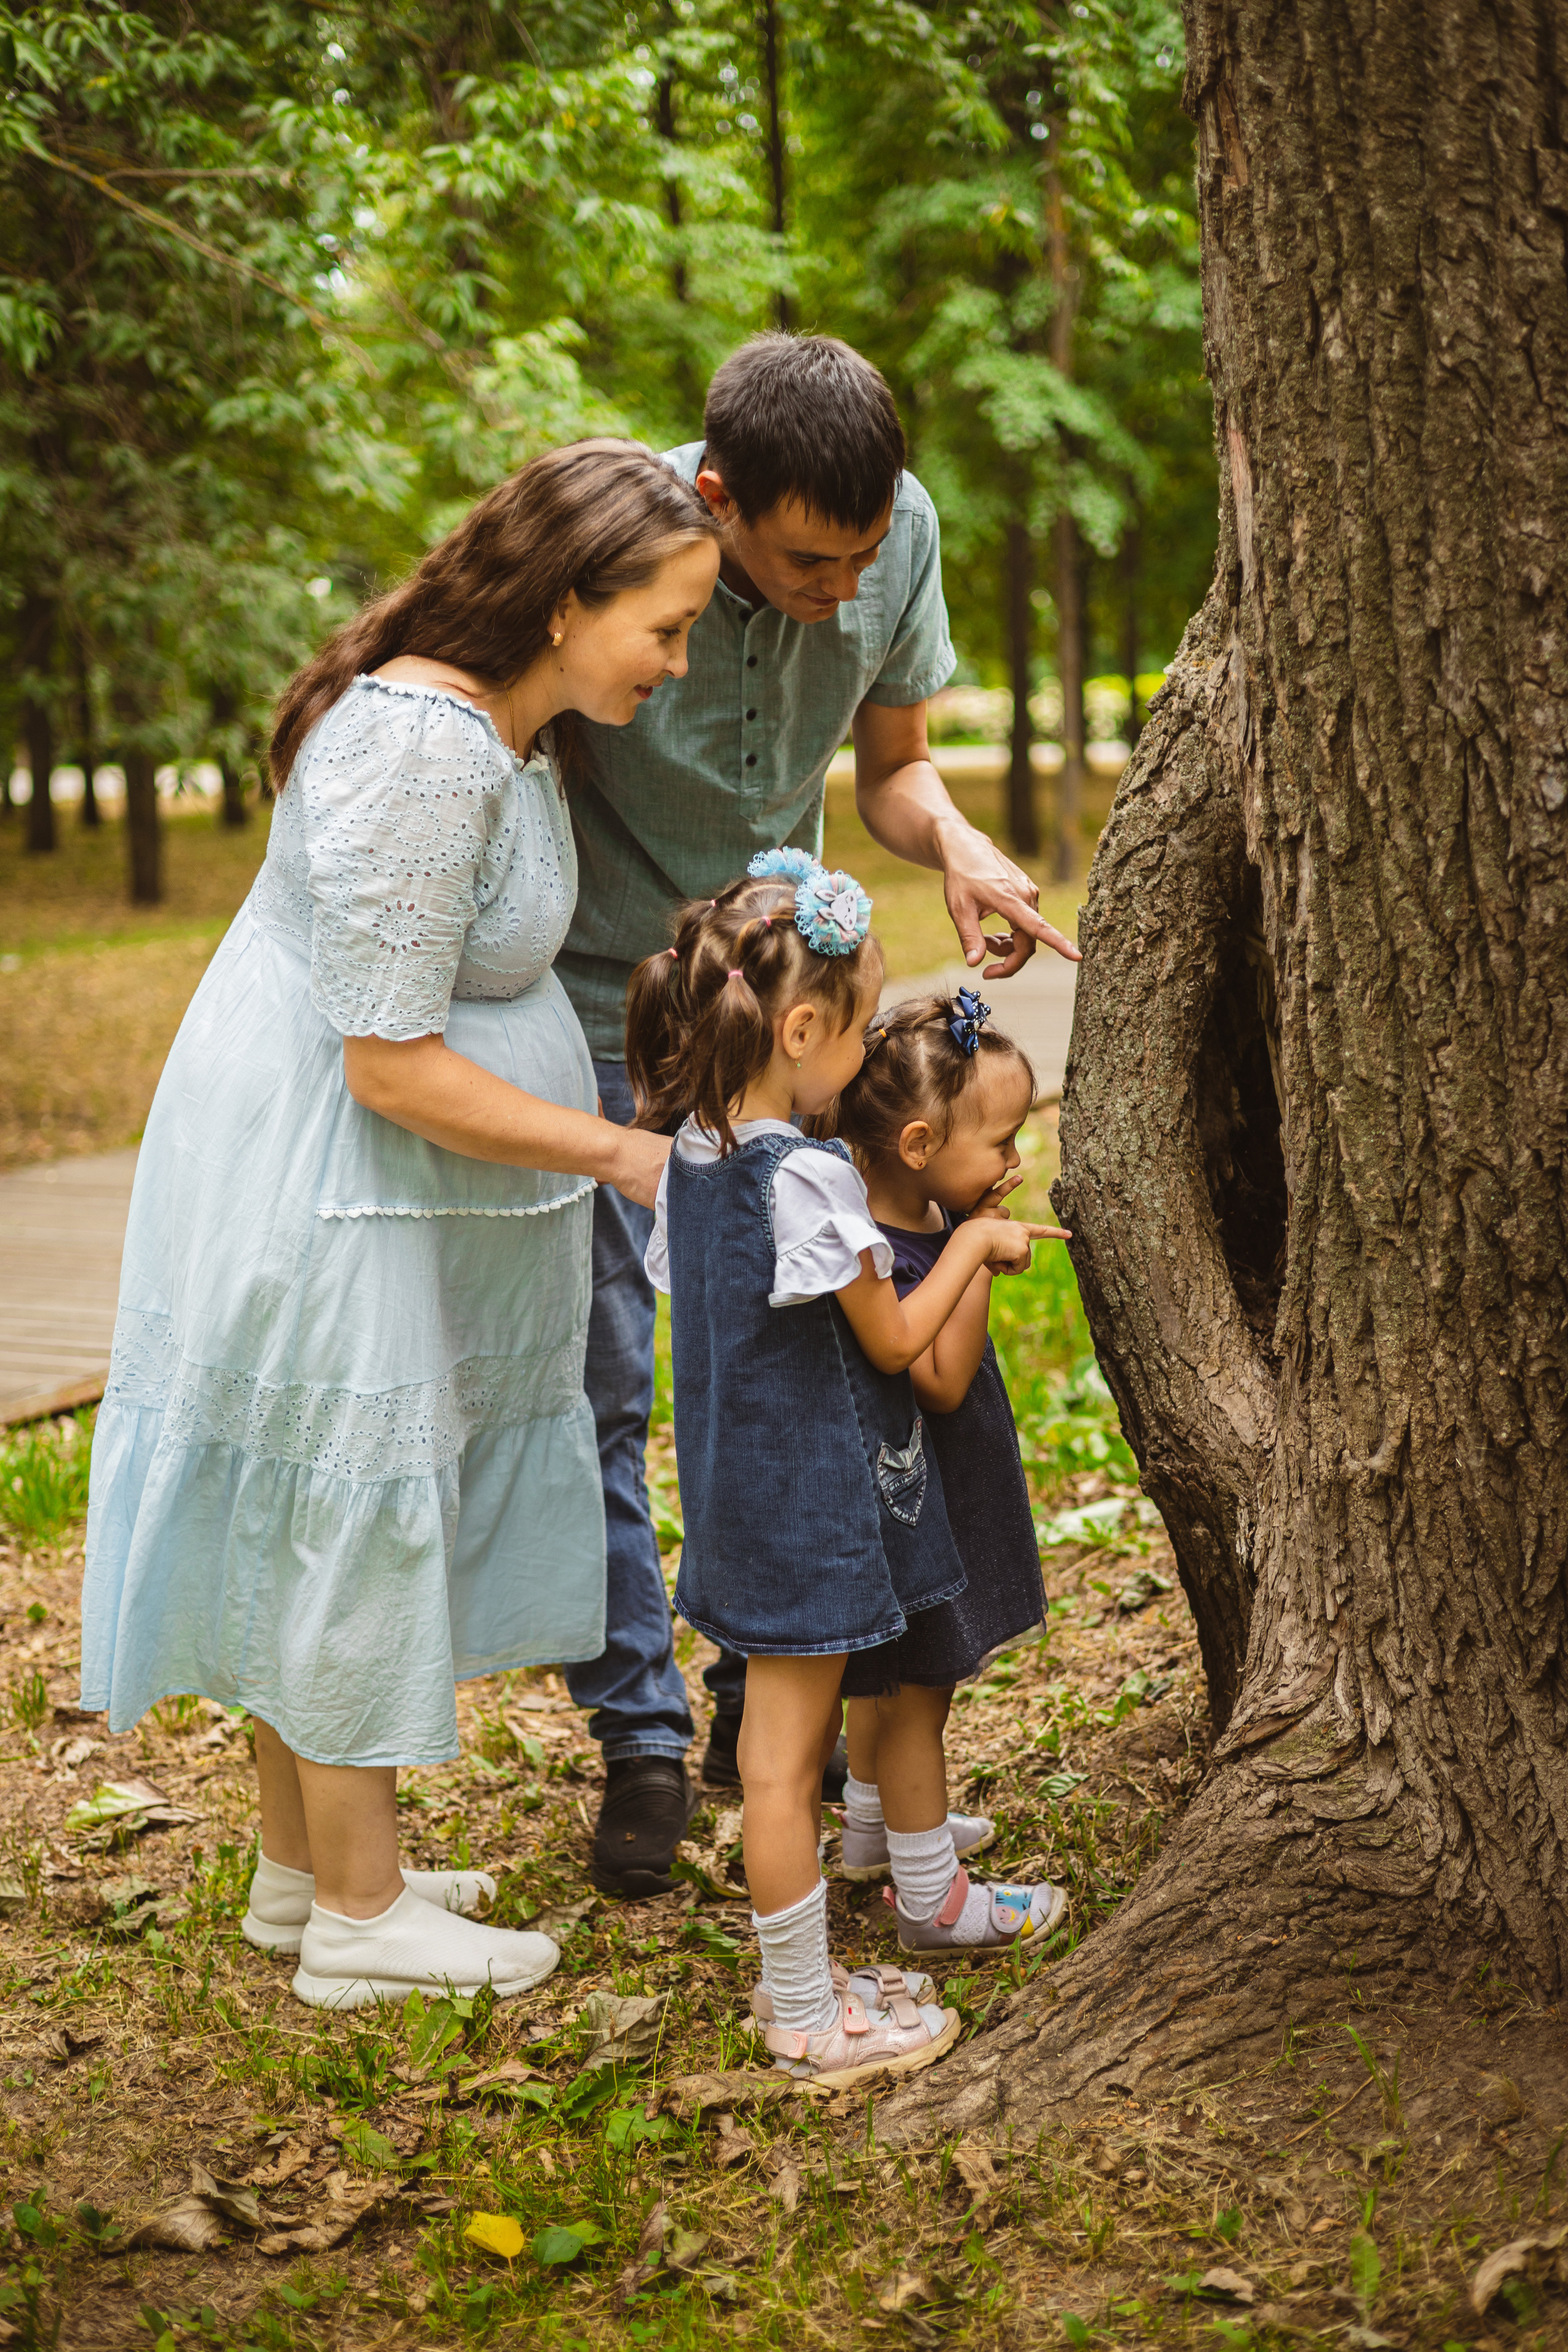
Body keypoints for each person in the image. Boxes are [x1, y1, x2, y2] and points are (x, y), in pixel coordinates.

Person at [80, 441, 720, 2010]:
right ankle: (364, 1926)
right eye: (668, 624)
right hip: (326, 1181)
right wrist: (624, 1159)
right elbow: (386, 1059)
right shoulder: (427, 747)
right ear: (570, 604)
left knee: (328, 1492)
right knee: (342, 1502)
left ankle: (308, 1877)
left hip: (362, 1182)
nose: (679, 662)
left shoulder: (491, 729)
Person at [556, 331, 1080, 1896]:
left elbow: (893, 770)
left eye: (866, 556)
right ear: (713, 502)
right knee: (615, 1383)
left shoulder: (891, 532)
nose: (844, 590)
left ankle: (759, 1700)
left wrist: (958, 849)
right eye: (804, 559)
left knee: (819, 1363)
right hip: (604, 1008)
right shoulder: (614, 543)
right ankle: (640, 1735)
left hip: (793, 1038)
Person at [630, 855, 1055, 2076]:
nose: (864, 1052)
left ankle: (799, 1985)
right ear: (801, 1028)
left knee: (771, 1770)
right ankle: (807, 2015)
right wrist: (971, 1242)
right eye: (858, 1024)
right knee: (776, 1779)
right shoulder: (806, 1178)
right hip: (810, 1515)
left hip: (727, 1503)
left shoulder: (692, 1158)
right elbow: (895, 1339)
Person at [831, 992, 1071, 1951]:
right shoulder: (909, 1242)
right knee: (919, 1692)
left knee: (882, 1682)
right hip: (914, 1499)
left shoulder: (873, 1208)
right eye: (1004, 1142)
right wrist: (971, 1248)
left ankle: (871, 1828)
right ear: (922, 1142)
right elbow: (940, 1379)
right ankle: (934, 1898)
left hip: (900, 1492)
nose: (1016, 1162)